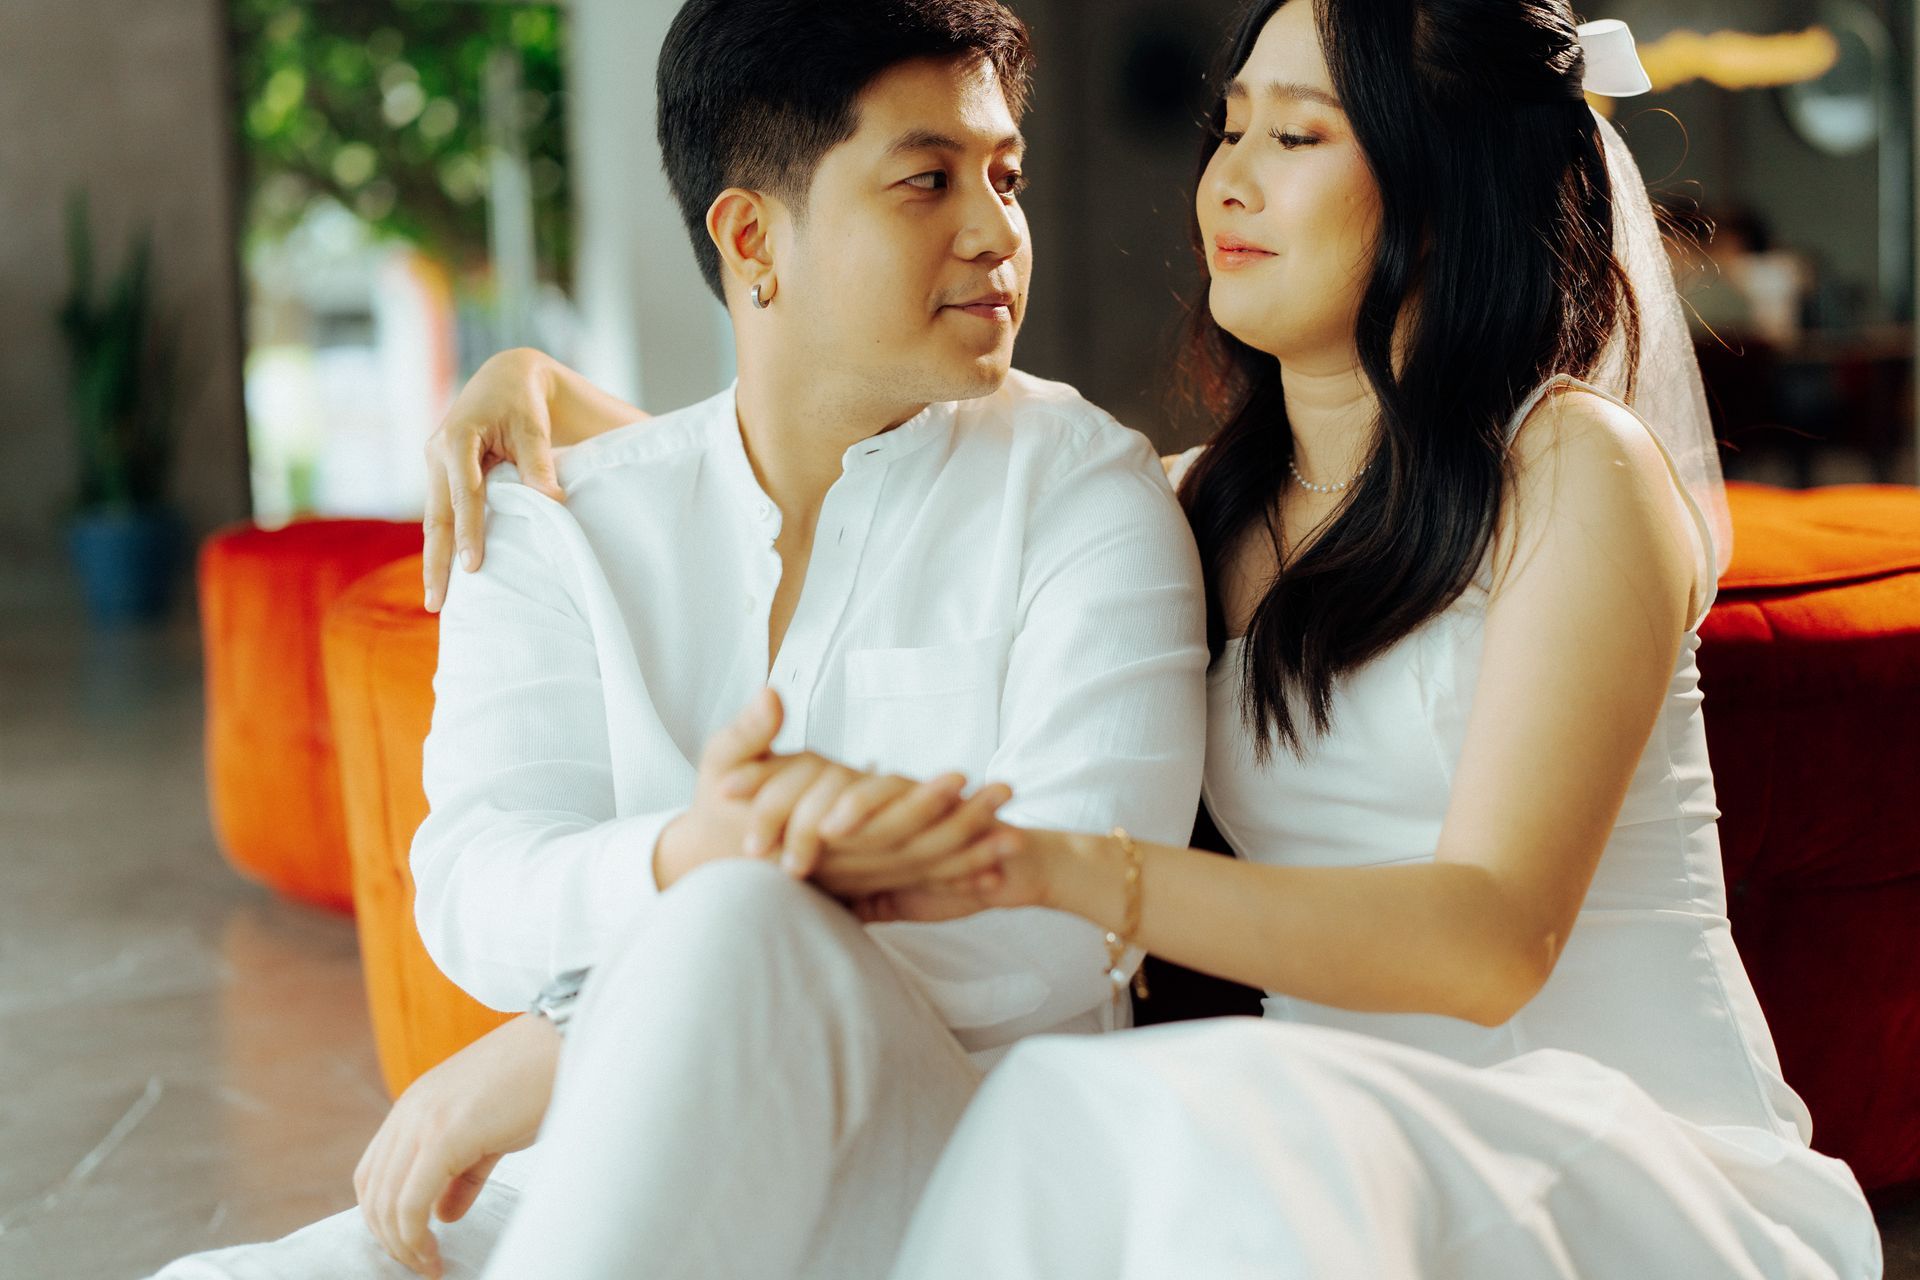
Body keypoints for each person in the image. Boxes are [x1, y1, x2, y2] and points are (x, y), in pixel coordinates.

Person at [422, 2, 1886, 1277]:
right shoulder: (1200, 502)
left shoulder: (1573, 469)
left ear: (1447, 185)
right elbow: (843, 454)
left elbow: (1493, 942)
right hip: (1322, 1155)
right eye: (1229, 128)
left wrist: (1059, 867)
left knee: (1116, 1112)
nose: (1228, 181)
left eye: (1296, 138)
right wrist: (569, 405)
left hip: (1607, 1150)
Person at [149, 2, 1207, 1277]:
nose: (997, 231)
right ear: (752, 236)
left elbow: (1070, 920)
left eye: (1006, 176)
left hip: (952, 1189)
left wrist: (577, 1034)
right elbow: (476, 886)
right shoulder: (561, 523)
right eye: (929, 180)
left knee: (742, 919)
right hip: (593, 1173)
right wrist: (683, 855)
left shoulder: (1084, 492)